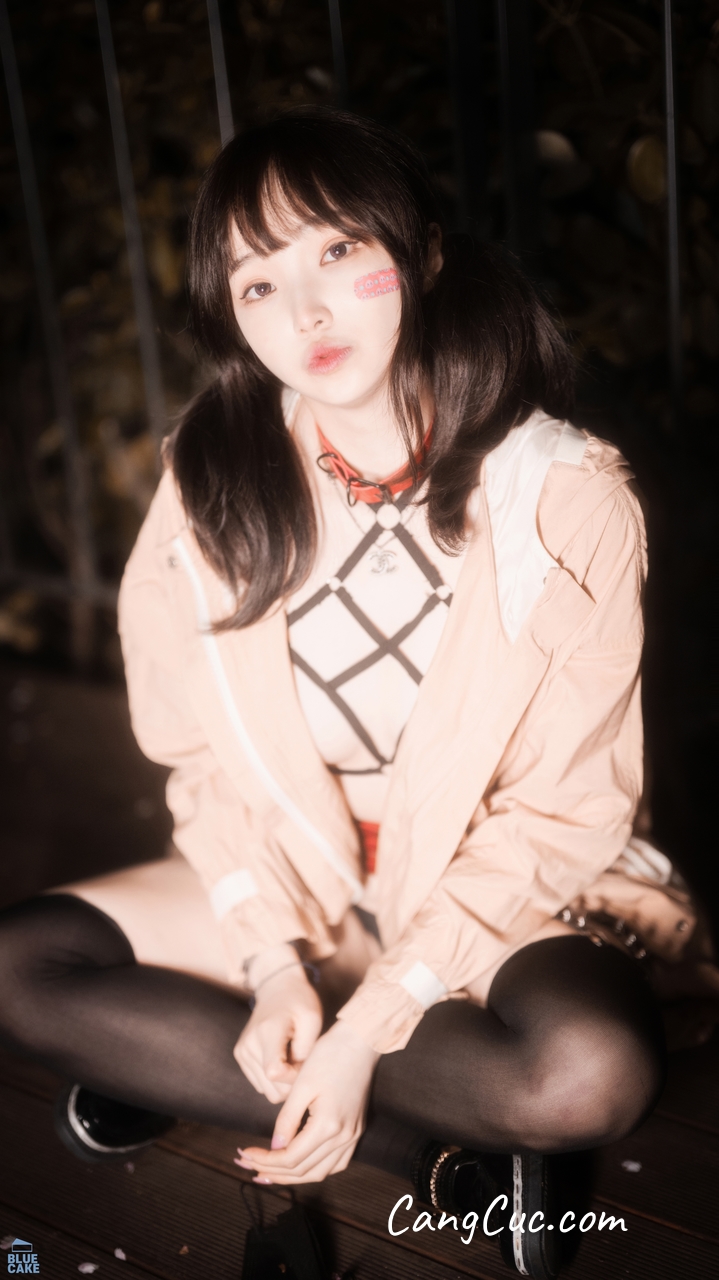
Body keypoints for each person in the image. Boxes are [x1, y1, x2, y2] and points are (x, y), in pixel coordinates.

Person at [0, 108, 715, 1280]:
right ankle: (430, 1148)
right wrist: (275, 964)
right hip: (310, 868)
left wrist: (366, 1024)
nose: (306, 312)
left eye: (337, 250)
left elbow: (561, 810)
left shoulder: (562, 494)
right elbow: (195, 754)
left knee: (584, 1072)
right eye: (258, 282)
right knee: (18, 963)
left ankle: (188, 1061)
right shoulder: (211, 476)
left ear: (421, 253)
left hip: (490, 880)